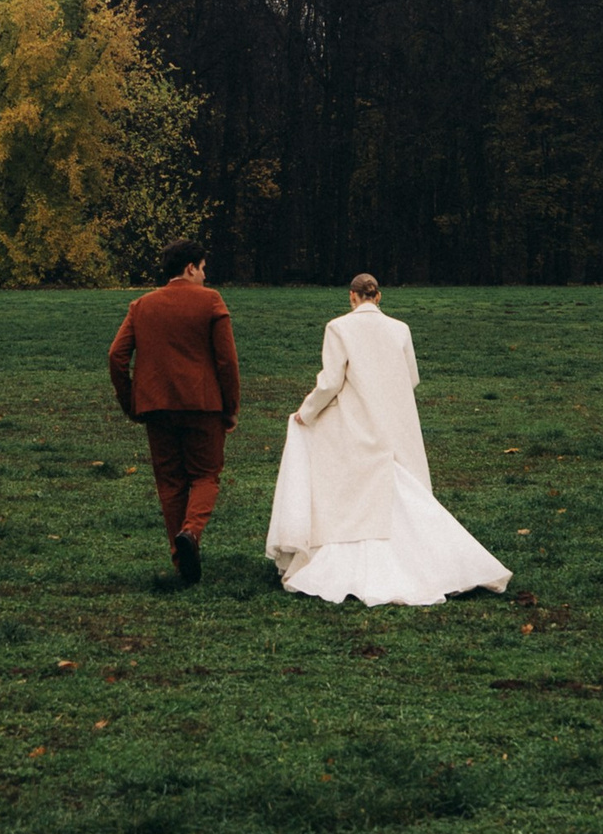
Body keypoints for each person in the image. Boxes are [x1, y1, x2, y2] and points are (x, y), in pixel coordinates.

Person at [265, 273, 510, 607]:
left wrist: (306, 412)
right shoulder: (400, 329)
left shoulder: (338, 328)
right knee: (397, 484)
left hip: (357, 419)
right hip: (394, 420)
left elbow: (331, 382)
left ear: (352, 297)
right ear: (378, 297)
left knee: (356, 487)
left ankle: (348, 554)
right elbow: (411, 378)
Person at [107, 238, 241, 587]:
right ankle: (191, 533)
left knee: (170, 483)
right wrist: (230, 408)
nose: (205, 276)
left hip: (156, 406)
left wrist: (131, 402)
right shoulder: (211, 301)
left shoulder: (141, 306)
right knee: (206, 475)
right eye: (203, 268)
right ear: (190, 268)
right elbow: (227, 361)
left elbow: (116, 356)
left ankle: (181, 561)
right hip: (202, 404)